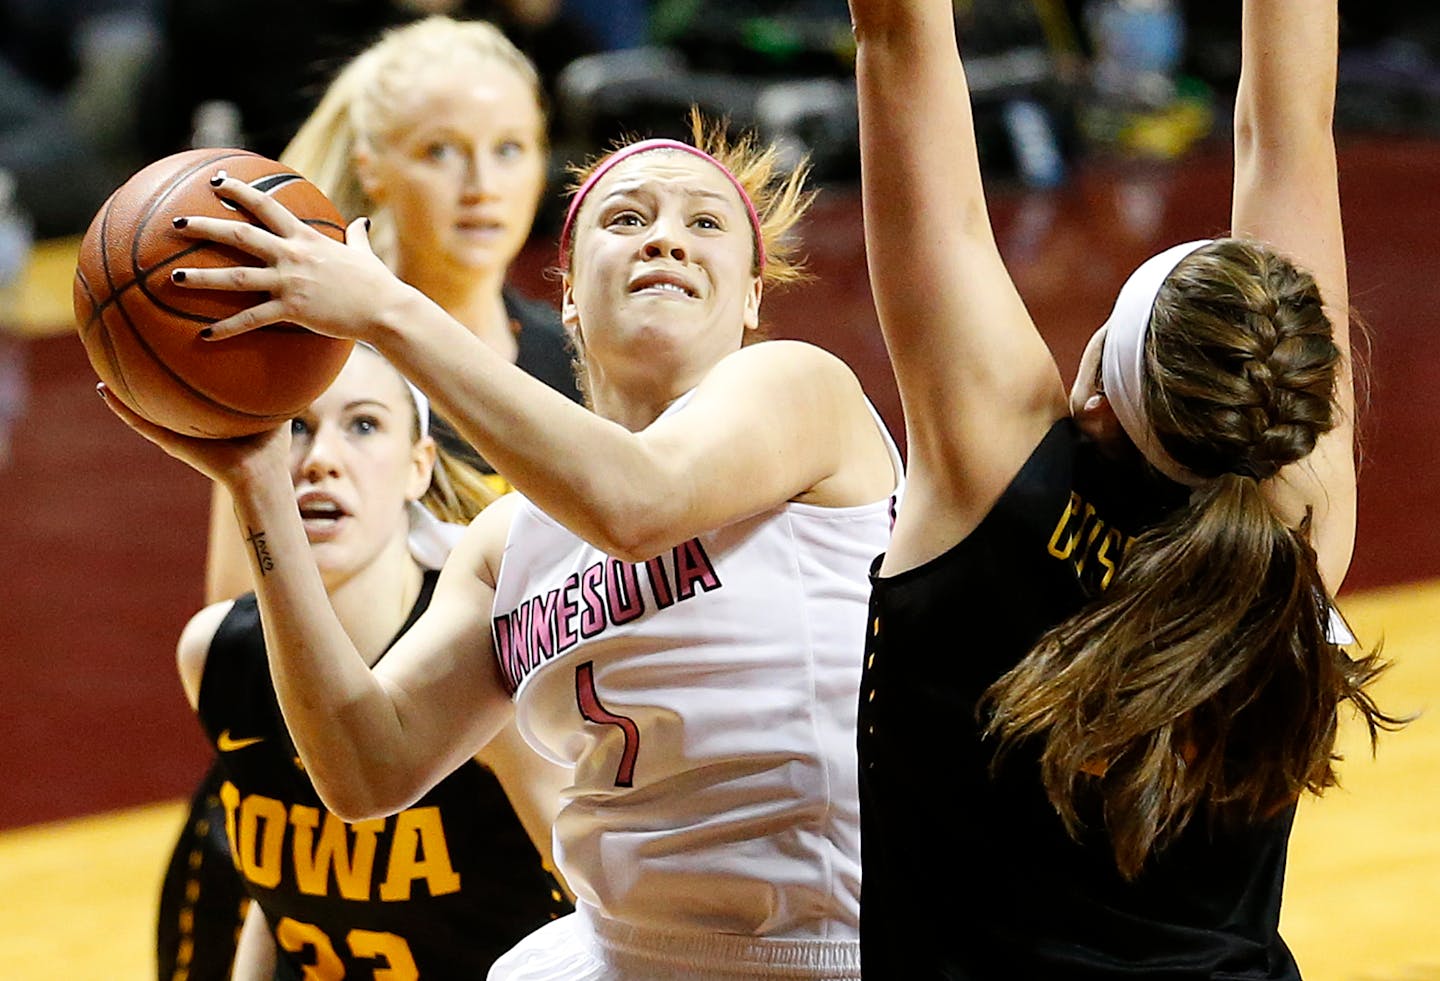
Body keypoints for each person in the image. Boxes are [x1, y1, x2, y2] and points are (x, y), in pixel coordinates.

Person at [108, 116, 901, 980]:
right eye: (627, 219)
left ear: (749, 296)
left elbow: (639, 502)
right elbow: (367, 769)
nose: (666, 237)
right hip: (621, 948)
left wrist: (386, 307)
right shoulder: (507, 542)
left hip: (825, 947)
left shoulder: (799, 387)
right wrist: (258, 483)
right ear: (567, 294)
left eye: (705, 223)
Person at [848, 0, 1400, 977]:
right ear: (1292, 411)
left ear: (1100, 393)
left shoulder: (1000, 470)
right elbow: (1288, 132)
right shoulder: (1296, 525)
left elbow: (896, 31)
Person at [158, 21, 583, 978]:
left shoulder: (578, 368)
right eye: (442, 153)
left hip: (511, 807)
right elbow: (246, 641)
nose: (482, 184)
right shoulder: (296, 358)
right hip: (304, 825)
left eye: (510, 149)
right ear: (375, 168)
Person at [170, 344, 574, 979]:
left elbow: (598, 902)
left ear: (419, 468)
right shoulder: (215, 653)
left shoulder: (484, 659)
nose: (321, 460)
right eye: (295, 426)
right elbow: (274, 905)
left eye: (363, 425)